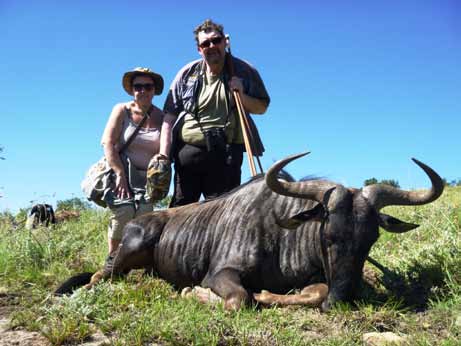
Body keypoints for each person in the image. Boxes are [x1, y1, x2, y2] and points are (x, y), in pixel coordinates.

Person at [164, 19, 270, 207]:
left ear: (225, 42)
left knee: (222, 214)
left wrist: (242, 95)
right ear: (199, 49)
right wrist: (163, 155)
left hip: (226, 153)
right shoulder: (187, 73)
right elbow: (169, 117)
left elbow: (262, 107)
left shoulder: (244, 70)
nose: (211, 46)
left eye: (216, 40)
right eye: (205, 43)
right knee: (180, 211)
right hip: (189, 151)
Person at [101, 67, 175, 255]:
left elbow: (165, 146)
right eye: (138, 86)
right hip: (122, 170)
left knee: (144, 215)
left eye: (148, 87)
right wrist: (119, 174)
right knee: (124, 211)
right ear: (132, 89)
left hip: (147, 177)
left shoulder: (161, 116)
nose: (142, 91)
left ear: (154, 90)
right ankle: (112, 260)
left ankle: (136, 259)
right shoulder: (121, 110)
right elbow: (107, 142)